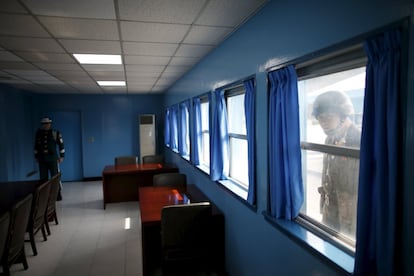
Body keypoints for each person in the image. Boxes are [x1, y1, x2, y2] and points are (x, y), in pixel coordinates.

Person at [312, 91, 361, 237]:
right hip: (331, 213)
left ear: (343, 116)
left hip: (353, 217)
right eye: (320, 118)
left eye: (329, 117)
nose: (324, 122)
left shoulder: (359, 141)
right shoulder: (330, 140)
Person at [34, 117, 65, 200]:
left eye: (47, 124)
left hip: (52, 159)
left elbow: (61, 145)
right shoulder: (39, 133)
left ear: (50, 124)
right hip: (42, 159)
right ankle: (44, 197)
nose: (45, 125)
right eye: (43, 124)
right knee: (43, 179)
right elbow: (36, 146)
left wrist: (62, 156)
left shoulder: (55, 133)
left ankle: (57, 195)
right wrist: (36, 156)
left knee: (55, 178)